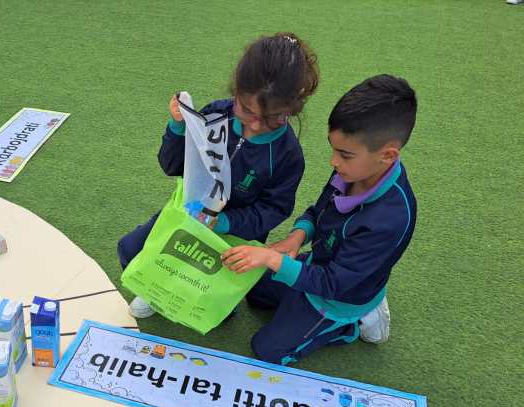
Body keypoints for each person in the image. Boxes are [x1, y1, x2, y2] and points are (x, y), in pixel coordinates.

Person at [117, 32, 320, 318]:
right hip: (188, 216)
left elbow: (273, 209)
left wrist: (223, 222)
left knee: (216, 306)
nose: (256, 124)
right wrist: (178, 128)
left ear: (292, 108)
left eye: (273, 117)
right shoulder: (215, 114)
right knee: (130, 249)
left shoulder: (287, 154)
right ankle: (156, 292)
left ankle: (207, 297)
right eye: (247, 110)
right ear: (236, 92)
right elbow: (172, 166)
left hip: (233, 237)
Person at [221, 74, 418, 365]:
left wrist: (273, 259)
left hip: (337, 298)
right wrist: (297, 237)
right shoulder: (354, 170)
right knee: (256, 293)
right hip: (321, 266)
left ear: (387, 155)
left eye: (344, 155)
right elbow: (320, 210)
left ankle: (350, 325)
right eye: (333, 149)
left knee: (267, 350)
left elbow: (332, 284)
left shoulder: (390, 219)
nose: (334, 162)